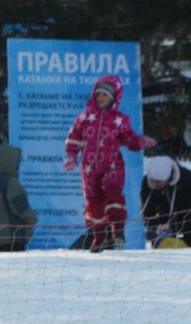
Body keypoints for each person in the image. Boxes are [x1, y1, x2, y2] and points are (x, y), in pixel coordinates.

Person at [64, 75, 156, 252]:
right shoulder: (84, 118)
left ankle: (118, 234)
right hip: (89, 169)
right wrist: (71, 155)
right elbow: (74, 137)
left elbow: (129, 139)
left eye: (105, 95)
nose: (101, 99)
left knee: (112, 194)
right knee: (93, 203)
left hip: (112, 166)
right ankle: (99, 239)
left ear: (113, 97)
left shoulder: (119, 120)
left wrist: (141, 142)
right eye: (98, 95)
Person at [141, 155, 191, 248]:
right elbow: (148, 209)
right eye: (152, 181)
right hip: (164, 223)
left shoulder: (186, 178)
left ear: (168, 178)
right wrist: (152, 228)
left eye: (159, 182)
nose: (155, 184)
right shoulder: (146, 182)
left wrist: (180, 229)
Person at [0, 143, 37, 252]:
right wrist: (32, 218)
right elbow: (19, 206)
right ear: (10, 161)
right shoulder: (11, 182)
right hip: (13, 237)